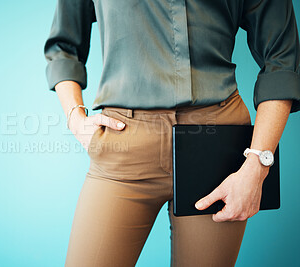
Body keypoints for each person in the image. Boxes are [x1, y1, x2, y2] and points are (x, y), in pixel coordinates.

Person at [43, 0, 300, 266]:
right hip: (124, 140)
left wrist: (257, 167)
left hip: (218, 151)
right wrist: (75, 117)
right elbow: (63, 46)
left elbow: (281, 57)